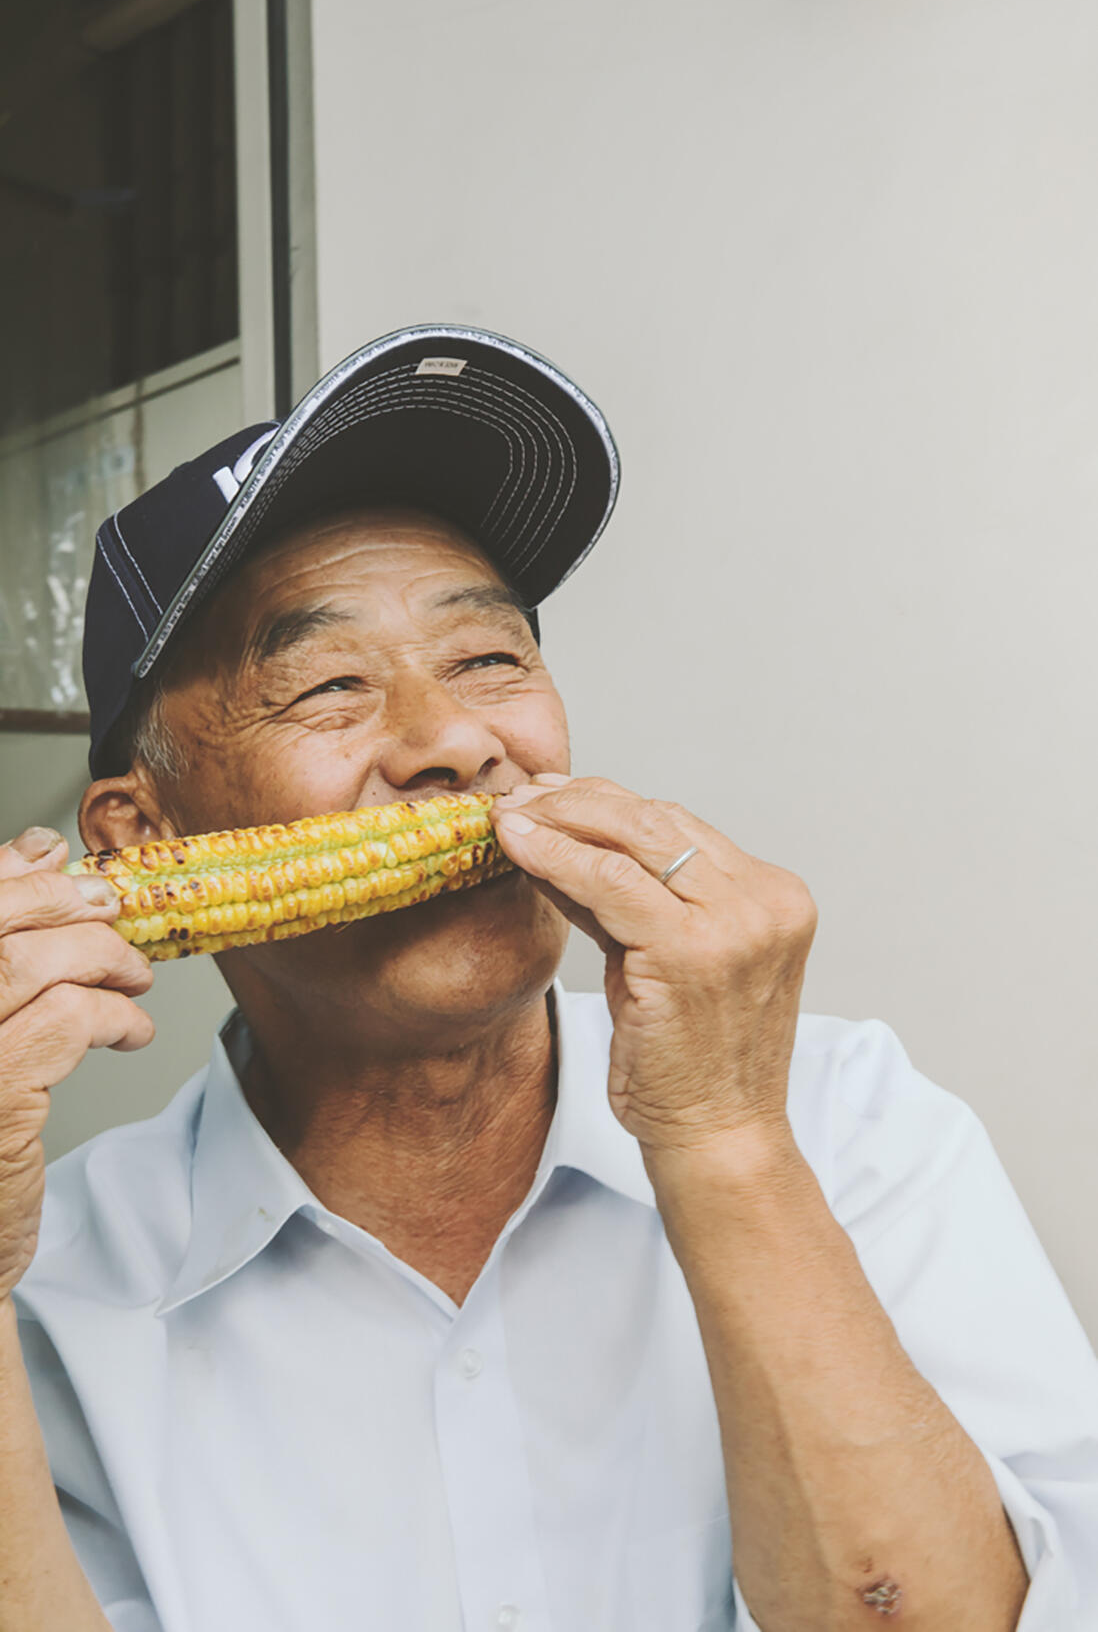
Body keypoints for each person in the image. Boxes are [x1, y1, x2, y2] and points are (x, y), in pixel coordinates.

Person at [2, 326, 1096, 1632]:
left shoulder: (852, 1126)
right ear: (140, 835)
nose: (459, 743)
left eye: (488, 659)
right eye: (330, 685)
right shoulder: (51, 1283)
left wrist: (727, 1142)